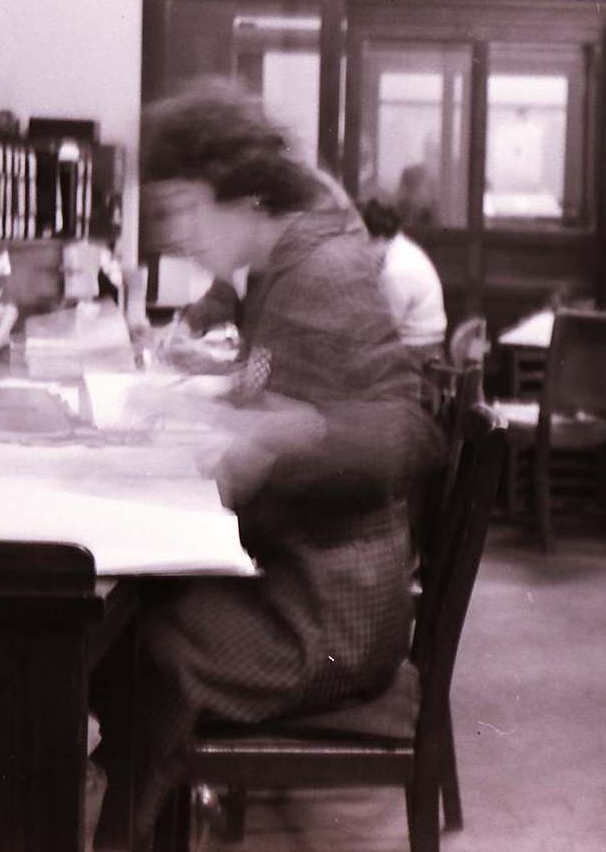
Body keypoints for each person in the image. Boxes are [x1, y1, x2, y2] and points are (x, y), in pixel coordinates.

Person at [95, 79, 441, 847]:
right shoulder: (288, 264)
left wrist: (259, 443)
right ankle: (148, 821)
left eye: (184, 207)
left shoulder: (317, 273)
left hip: (333, 609)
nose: (175, 236)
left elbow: (380, 431)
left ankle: (127, 830)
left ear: (246, 195)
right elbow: (273, 383)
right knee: (143, 624)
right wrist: (212, 407)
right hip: (327, 580)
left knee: (147, 644)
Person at [361, 196, 448, 370]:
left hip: (417, 352)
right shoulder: (402, 248)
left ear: (377, 237)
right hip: (426, 345)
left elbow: (384, 329)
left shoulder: (396, 270)